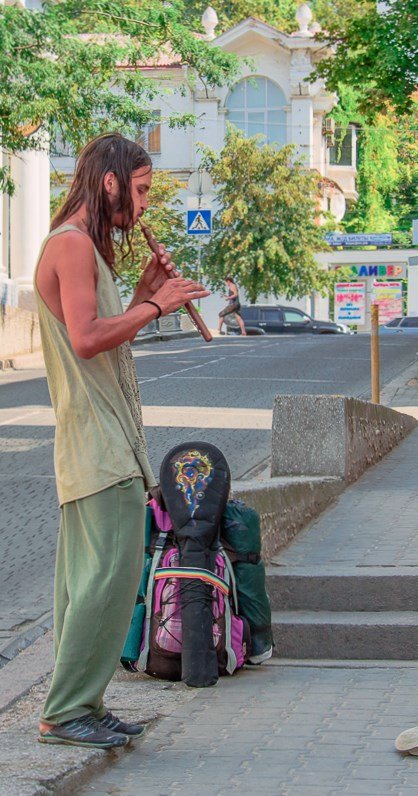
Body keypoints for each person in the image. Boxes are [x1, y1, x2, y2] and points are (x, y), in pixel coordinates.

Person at [33, 133, 209, 748]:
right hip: (96, 440)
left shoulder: (85, 249)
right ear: (109, 181)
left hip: (103, 438)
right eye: (138, 190)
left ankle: (84, 699)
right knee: (107, 580)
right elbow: (85, 339)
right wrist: (158, 307)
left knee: (91, 583)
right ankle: (67, 709)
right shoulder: (73, 245)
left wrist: (139, 294)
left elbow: (108, 335)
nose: (141, 206)